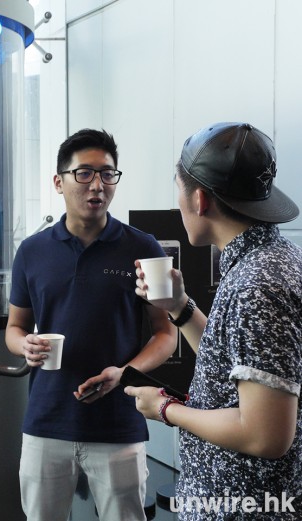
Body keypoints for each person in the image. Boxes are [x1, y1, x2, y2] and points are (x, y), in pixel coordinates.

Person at [126, 122, 301, 520]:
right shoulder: (272, 259)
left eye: (178, 189)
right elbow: (235, 364)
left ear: (199, 199)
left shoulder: (256, 284)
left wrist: (165, 409)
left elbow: (265, 435)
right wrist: (180, 306)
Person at [5, 128, 178, 521]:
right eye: (84, 173)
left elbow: (166, 333)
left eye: (107, 174)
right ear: (59, 182)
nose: (97, 185)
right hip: (46, 420)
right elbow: (15, 328)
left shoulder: (144, 247)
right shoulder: (31, 251)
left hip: (118, 423)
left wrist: (124, 373)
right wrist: (24, 345)